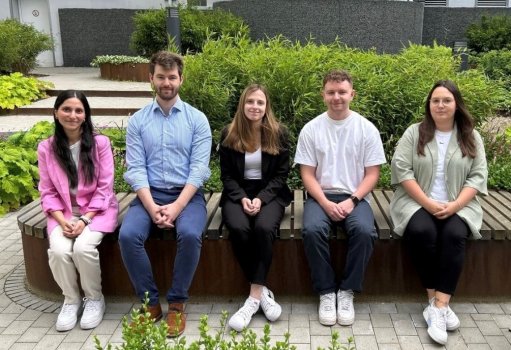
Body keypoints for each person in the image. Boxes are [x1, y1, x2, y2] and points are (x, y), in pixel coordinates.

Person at [118, 50, 212, 337]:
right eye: (161, 77)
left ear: (181, 79)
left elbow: (199, 170)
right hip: (150, 193)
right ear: (151, 79)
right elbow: (135, 169)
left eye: (172, 77)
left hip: (188, 195)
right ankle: (149, 304)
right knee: (127, 236)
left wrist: (175, 207)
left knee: (191, 235)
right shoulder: (138, 121)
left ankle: (176, 303)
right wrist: (151, 206)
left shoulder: (197, 120)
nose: (166, 82)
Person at [390, 80, 487, 345]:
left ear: (457, 104)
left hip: (459, 203)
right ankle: (435, 302)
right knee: (422, 230)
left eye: (446, 100)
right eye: (435, 100)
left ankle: (439, 306)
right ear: (429, 105)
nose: (441, 105)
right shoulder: (415, 133)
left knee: (455, 234)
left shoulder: (470, 136)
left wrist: (455, 206)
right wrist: (428, 203)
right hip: (416, 201)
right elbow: (401, 170)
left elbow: (478, 177)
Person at [294, 70, 386, 326]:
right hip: (320, 196)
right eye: (331, 92)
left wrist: (352, 201)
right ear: (323, 95)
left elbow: (372, 174)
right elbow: (307, 174)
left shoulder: (366, 129)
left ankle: (346, 292)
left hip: (355, 198)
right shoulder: (311, 129)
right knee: (312, 230)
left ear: (352, 94)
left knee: (365, 232)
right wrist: (324, 202)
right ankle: (325, 292)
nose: (337, 97)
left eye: (342, 92)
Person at [37, 90, 119, 332]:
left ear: (85, 115)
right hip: (62, 213)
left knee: (83, 248)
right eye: (67, 109)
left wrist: (84, 219)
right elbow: (47, 191)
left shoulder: (100, 143)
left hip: (96, 211)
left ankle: (94, 299)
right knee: (60, 251)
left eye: (78, 110)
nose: (72, 115)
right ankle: (71, 300)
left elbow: (105, 187)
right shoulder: (46, 148)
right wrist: (63, 222)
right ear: (56, 112)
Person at [219, 84, 292, 331]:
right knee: (239, 228)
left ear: (266, 107)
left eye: (260, 102)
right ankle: (262, 294)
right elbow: (227, 175)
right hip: (236, 194)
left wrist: (261, 198)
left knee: (262, 228)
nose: (255, 107)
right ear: (243, 104)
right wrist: (241, 198)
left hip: (270, 195)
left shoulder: (279, 133)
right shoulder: (229, 133)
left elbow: (281, 176)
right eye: (250, 102)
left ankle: (252, 299)